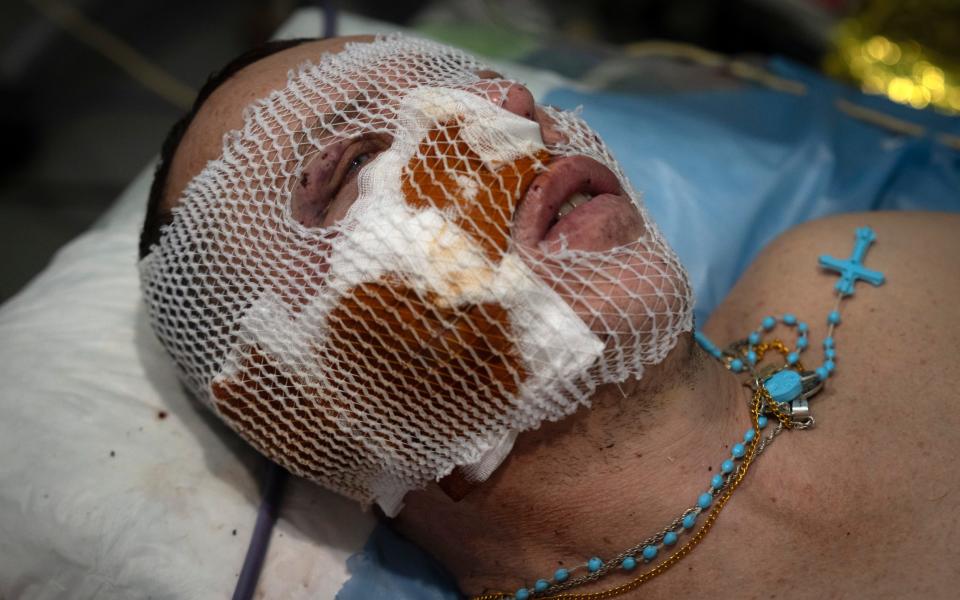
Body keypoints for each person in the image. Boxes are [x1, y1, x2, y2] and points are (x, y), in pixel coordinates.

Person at [139, 34, 960, 599]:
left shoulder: (871, 268)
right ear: (292, 400)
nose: (510, 102)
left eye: (464, 81)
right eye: (358, 161)